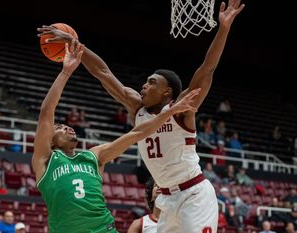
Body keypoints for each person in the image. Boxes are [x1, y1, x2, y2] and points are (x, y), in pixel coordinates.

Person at [38, 1, 244, 232]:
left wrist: (224, 28)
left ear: (167, 92)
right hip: (166, 198)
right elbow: (103, 73)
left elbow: (207, 69)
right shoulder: (138, 109)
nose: (144, 86)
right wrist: (73, 43)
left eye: (151, 83)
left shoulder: (183, 108)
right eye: (145, 81)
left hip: (193, 193)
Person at [32, 41, 200, 232]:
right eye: (60, 128)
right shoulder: (45, 160)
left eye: (67, 125)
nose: (67, 128)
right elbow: (47, 111)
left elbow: (138, 133)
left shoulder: (94, 156)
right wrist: (65, 72)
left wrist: (170, 112)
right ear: (50, 141)